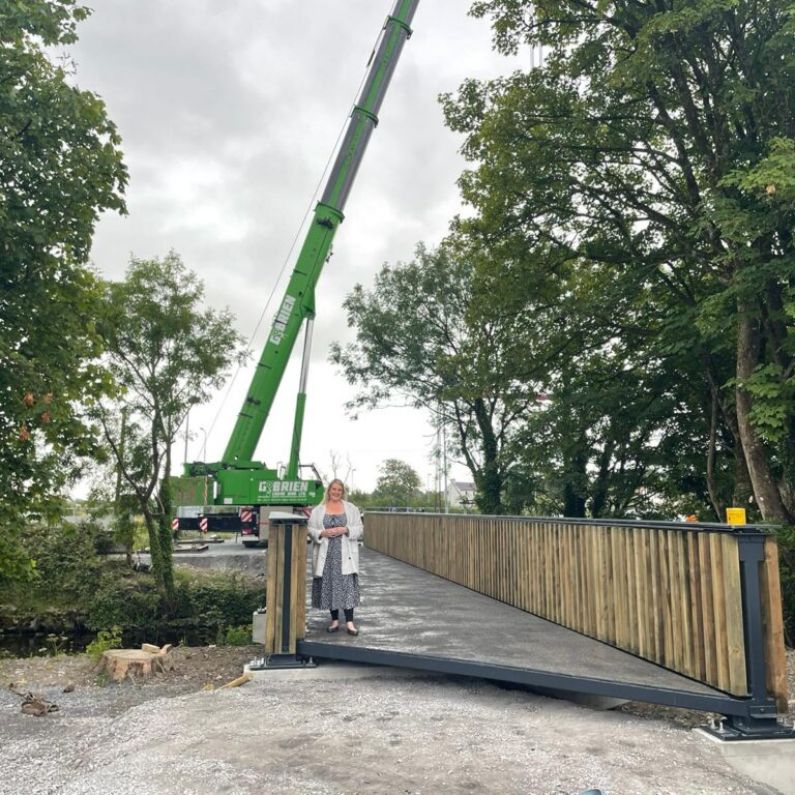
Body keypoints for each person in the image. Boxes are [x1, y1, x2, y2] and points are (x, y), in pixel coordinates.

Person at [308, 479, 363, 636]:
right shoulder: (319, 510)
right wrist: (322, 533)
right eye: (334, 489)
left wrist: (346, 529)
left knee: (347, 588)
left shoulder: (351, 508)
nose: (336, 492)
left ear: (342, 491)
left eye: (339, 490)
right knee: (330, 587)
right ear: (329, 490)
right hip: (327, 555)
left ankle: (350, 623)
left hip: (345, 553)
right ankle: (334, 621)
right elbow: (310, 529)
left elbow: (359, 528)